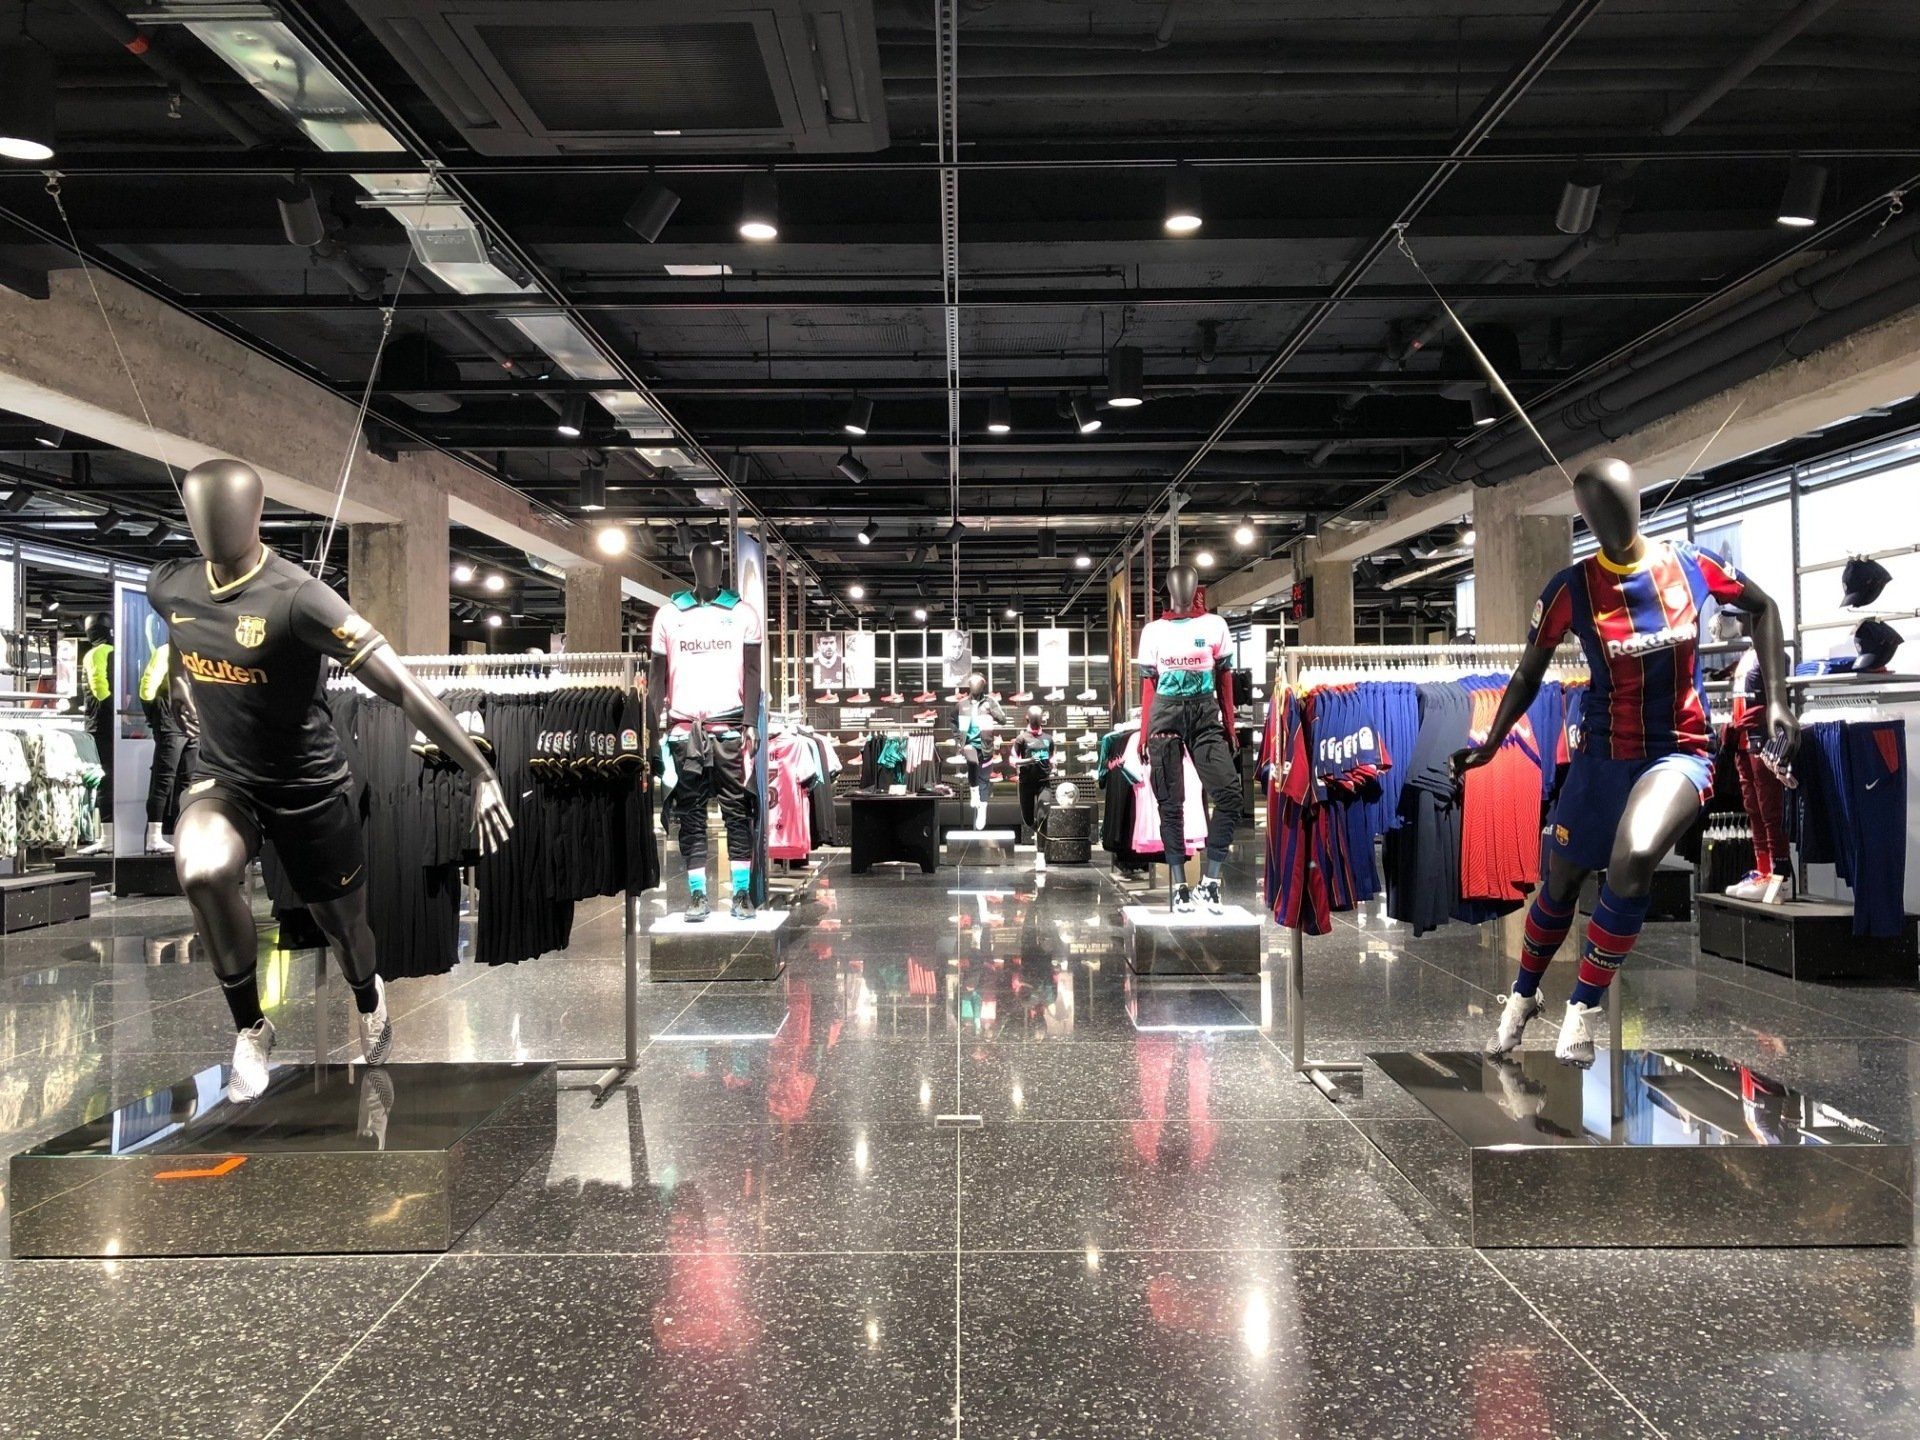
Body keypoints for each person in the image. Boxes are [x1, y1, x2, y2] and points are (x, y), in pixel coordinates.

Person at [1459, 458, 1796, 1066]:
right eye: (1595, 512)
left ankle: (1582, 1007)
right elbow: (1529, 673)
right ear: (1584, 519)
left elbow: (1764, 607)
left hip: (1678, 750)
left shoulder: (1691, 564)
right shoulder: (1570, 588)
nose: (1609, 520)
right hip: (1601, 757)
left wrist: (1777, 699)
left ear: (1638, 502)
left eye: (1617, 504)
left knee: (1634, 856)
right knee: (1560, 881)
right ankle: (1523, 996)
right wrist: (1491, 740)